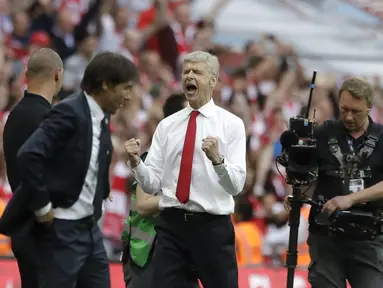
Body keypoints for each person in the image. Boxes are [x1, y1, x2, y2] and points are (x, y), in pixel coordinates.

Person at [15, 51, 139, 288]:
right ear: (105, 85)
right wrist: (42, 207)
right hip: (62, 229)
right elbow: (29, 154)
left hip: (89, 229)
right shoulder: (69, 111)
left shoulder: (101, 117)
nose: (129, 96)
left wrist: (101, 189)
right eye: (126, 88)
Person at [125, 51, 246, 288]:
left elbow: (236, 186)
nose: (189, 76)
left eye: (197, 72)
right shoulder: (167, 126)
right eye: (186, 71)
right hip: (172, 226)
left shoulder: (231, 125)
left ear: (212, 81)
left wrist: (218, 160)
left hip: (212, 227)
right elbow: (152, 184)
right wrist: (136, 163)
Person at [286, 77, 383, 288]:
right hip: (326, 235)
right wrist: (295, 191)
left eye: (355, 111)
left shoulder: (382, 138)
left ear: (369, 106)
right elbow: (303, 172)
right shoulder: (323, 134)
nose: (348, 116)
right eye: (344, 109)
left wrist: (350, 199)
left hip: (368, 236)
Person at [122, 93, 199, 288]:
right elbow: (143, 205)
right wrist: (178, 199)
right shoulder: (153, 159)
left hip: (180, 255)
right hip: (146, 255)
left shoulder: (190, 162)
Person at [2, 48, 63, 288]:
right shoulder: (48, 119)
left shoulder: (14, 116)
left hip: (23, 230)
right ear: (57, 74)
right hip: (42, 231)